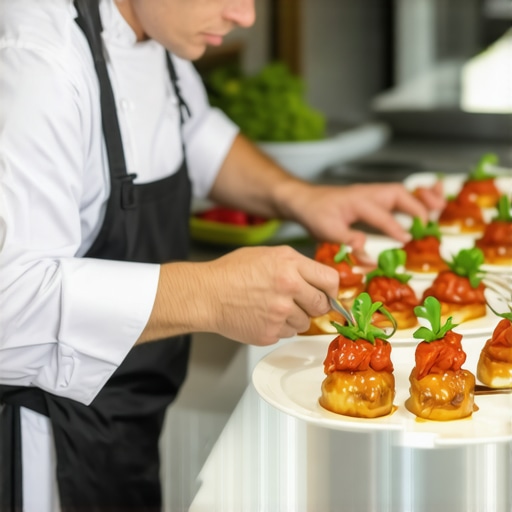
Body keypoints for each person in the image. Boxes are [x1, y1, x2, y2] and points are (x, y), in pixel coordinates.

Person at [0, 0, 444, 511]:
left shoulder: (157, 31)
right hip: (41, 452)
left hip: (127, 418)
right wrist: (210, 294)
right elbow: (13, 304)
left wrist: (301, 198)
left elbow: (197, 133)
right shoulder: (39, 61)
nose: (246, 16)